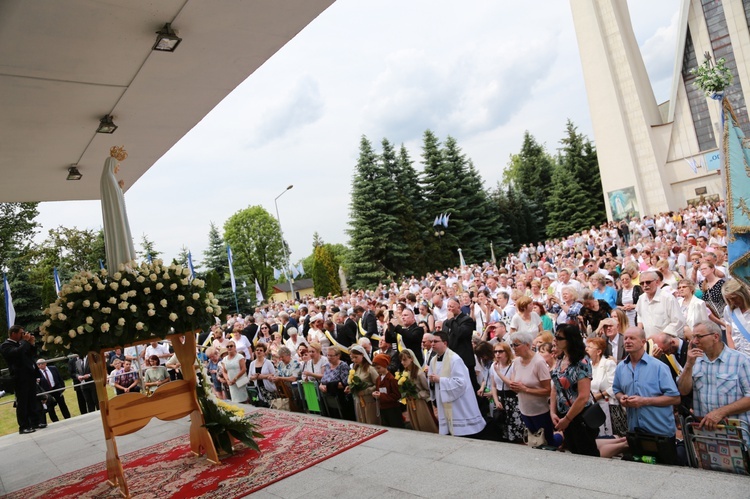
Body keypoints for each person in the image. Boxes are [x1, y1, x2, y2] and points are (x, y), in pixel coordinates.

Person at [613, 327, 681, 464]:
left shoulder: (659, 367)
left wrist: (644, 401)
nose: (627, 341)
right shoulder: (621, 367)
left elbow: (675, 398)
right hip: (635, 433)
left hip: (659, 433)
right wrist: (622, 398)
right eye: (626, 338)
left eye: (632, 338)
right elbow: (617, 390)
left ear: (643, 342)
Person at [677, 321, 750, 438]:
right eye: (693, 337)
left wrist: (721, 412)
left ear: (715, 337)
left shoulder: (741, 361)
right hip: (706, 435)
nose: (695, 341)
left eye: (699, 337)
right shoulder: (694, 360)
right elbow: (683, 391)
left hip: (736, 434)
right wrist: (688, 365)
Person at [550, 324, 599, 456]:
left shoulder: (581, 361)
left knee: (586, 453)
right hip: (563, 415)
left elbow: (583, 396)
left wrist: (567, 419)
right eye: (555, 336)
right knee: (573, 450)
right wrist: (553, 412)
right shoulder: (560, 359)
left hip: (579, 416)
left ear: (570, 340)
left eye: (559, 338)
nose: (555, 340)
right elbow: (555, 388)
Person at [427, 331, 487, 437]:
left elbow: (461, 383)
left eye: (435, 341)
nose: (432, 344)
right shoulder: (433, 360)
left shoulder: (455, 359)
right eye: (431, 341)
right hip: (443, 400)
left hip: (458, 401)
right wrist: (432, 381)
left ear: (445, 343)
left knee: (461, 433)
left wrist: (440, 380)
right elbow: (432, 380)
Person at [508, 330, 556, 446]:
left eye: (516, 345)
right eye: (512, 345)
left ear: (528, 345)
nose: (514, 348)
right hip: (524, 410)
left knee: (547, 443)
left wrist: (525, 389)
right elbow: (517, 383)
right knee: (534, 442)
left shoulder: (538, 362)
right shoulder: (517, 362)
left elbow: (547, 391)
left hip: (540, 411)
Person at [1, 326, 43, 433]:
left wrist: (32, 343)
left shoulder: (22, 344)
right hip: (19, 377)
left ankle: (35, 422)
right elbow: (16, 353)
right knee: (22, 402)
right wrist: (25, 342)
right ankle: (23, 426)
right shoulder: (6, 345)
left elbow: (32, 354)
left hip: (30, 375)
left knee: (32, 400)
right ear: (13, 334)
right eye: (21, 333)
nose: (23, 335)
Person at [489, 341, 524, 442]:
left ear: (507, 352)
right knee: (501, 424)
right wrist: (496, 401)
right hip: (500, 398)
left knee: (514, 425)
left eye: (500, 351)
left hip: (512, 398)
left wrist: (499, 373)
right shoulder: (494, 366)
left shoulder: (512, 365)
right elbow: (493, 385)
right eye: (495, 352)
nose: (497, 354)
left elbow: (512, 384)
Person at [442, 297, 479, 391]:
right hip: (451, 360)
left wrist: (451, 321)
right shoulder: (446, 323)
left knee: (471, 388)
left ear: (459, 306)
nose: (449, 309)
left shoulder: (467, 320)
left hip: (464, 360)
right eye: (448, 307)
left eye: (452, 306)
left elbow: (460, 333)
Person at [635, 270, 685, 338]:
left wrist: (661, 337)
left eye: (648, 282)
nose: (645, 285)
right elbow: (639, 315)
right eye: (642, 283)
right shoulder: (641, 299)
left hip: (667, 342)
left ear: (657, 282)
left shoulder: (668, 298)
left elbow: (678, 321)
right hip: (649, 342)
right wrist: (639, 330)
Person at [398, 349, 437, 433]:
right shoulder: (404, 373)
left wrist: (417, 395)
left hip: (420, 403)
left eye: (404, 360)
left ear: (411, 359)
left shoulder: (419, 373)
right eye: (401, 360)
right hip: (410, 402)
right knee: (415, 424)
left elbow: (427, 390)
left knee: (424, 424)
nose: (402, 362)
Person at [586, 337, 617, 436]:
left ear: (599, 351)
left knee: (606, 434)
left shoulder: (608, 364)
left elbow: (615, 386)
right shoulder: (587, 365)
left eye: (590, 347)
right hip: (591, 407)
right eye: (586, 346)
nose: (586, 349)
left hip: (606, 405)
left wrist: (600, 395)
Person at [345, 345, 379, 424]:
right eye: (352, 358)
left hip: (368, 401)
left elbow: (377, 384)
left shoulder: (370, 369)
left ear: (362, 355)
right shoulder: (355, 369)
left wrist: (366, 391)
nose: (354, 360)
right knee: (361, 421)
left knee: (371, 421)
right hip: (358, 400)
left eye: (356, 357)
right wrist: (350, 387)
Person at [372, 353, 405, 428]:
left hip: (392, 410)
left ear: (385, 366)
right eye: (376, 368)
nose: (377, 370)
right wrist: (375, 395)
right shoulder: (378, 379)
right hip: (383, 409)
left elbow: (397, 395)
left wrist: (381, 396)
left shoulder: (391, 379)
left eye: (379, 368)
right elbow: (378, 391)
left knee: (396, 427)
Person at [721, 279, 750, 356]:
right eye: (728, 299)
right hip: (739, 355)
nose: (732, 302)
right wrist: (733, 353)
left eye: (734, 298)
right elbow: (729, 333)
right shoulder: (728, 310)